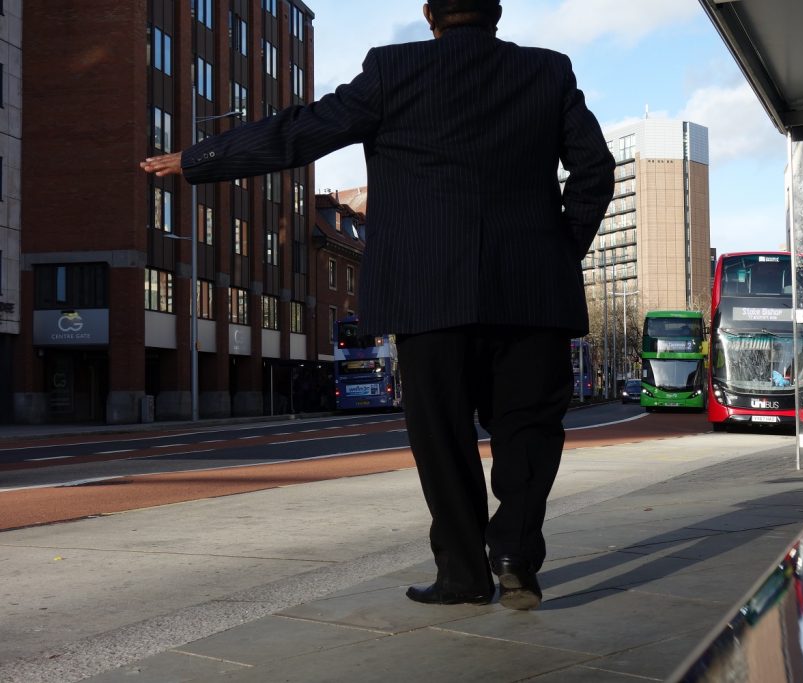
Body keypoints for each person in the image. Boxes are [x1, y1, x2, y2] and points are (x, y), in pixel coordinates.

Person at [141, 0, 615, 610]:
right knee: (529, 428)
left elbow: (301, 130)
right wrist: (558, 250)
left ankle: (464, 575)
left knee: (441, 439)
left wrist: (199, 159)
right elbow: (594, 172)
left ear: (428, 15)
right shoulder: (549, 72)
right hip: (531, 295)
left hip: (426, 293)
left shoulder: (393, 70)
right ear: (495, 15)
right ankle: (516, 551)